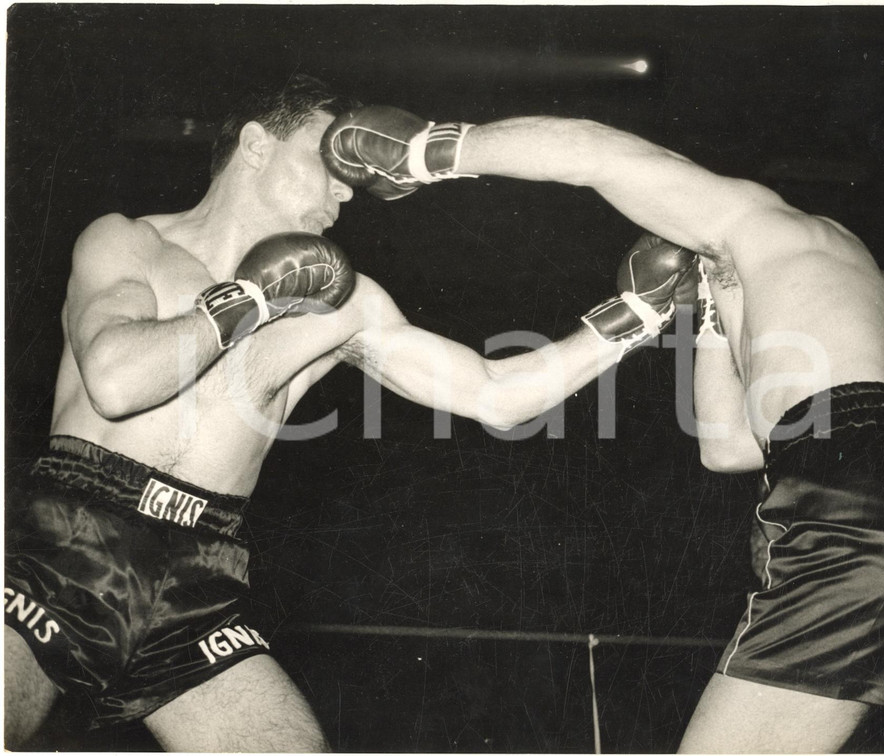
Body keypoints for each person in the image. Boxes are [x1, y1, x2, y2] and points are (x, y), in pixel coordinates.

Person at [3, 76, 697, 751]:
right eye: (327, 163)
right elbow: (119, 382)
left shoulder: (345, 300)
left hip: (197, 572)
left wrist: (636, 317)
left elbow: (493, 391)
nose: (344, 190)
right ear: (254, 145)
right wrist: (251, 298)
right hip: (67, 534)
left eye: (352, 176)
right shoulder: (129, 242)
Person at [322, 107, 884, 752]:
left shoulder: (750, 220)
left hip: (860, 494)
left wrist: (429, 151)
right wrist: (704, 315)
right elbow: (726, 447)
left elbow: (594, 151)